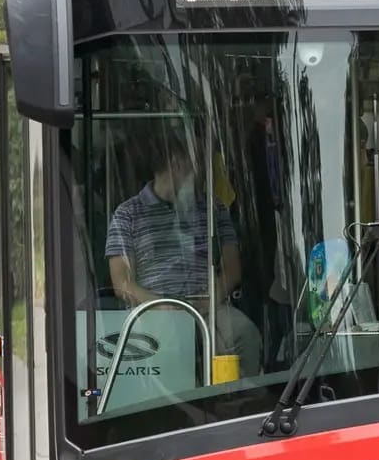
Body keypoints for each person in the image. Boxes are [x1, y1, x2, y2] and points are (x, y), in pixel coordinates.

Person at [105, 139, 265, 377]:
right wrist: (161, 305)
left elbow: (232, 267)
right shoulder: (128, 213)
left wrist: (213, 297)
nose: (202, 173)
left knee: (245, 334)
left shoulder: (213, 207)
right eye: (197, 165)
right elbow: (122, 283)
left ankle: (240, 405)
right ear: (177, 164)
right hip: (154, 309)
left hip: (208, 305)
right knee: (174, 346)